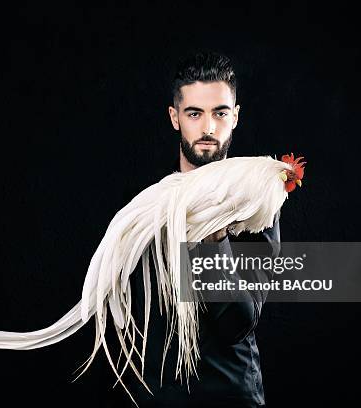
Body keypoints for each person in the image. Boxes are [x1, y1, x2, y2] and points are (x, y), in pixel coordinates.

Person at [108, 51, 281, 408]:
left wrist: (214, 236)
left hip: (231, 397)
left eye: (219, 113)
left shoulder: (253, 204)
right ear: (175, 118)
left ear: (235, 117)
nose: (207, 128)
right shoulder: (144, 205)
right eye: (194, 113)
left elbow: (237, 323)